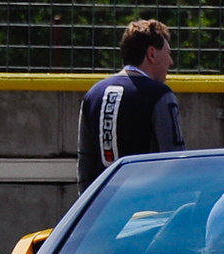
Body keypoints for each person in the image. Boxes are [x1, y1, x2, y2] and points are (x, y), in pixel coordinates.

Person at [76, 19, 184, 192]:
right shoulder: (160, 95)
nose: (170, 62)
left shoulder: (93, 94)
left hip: (105, 208)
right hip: (146, 208)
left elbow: (85, 167)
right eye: (168, 53)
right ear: (152, 54)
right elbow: (174, 162)